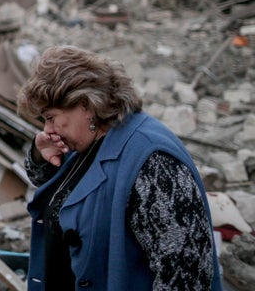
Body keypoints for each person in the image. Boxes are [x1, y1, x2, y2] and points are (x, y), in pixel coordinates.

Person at [17, 45, 221, 290]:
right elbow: (56, 192)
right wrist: (40, 156)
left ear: (85, 105)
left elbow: (187, 275)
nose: (47, 129)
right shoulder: (90, 141)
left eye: (50, 117)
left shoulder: (154, 163)